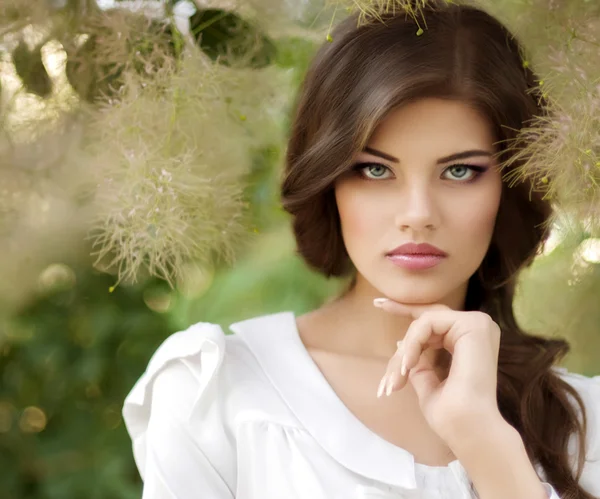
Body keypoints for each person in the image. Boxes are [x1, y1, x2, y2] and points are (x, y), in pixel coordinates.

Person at [122, 1, 600, 498]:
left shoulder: (586, 427)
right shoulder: (214, 394)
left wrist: (489, 448)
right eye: (375, 169)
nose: (418, 213)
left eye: (460, 171)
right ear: (327, 181)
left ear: (511, 188)